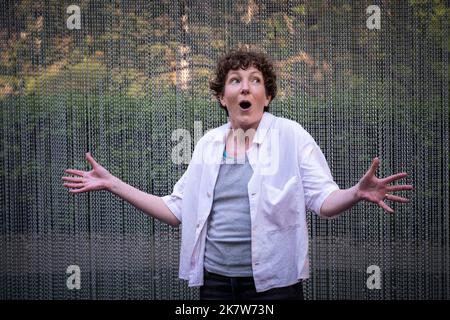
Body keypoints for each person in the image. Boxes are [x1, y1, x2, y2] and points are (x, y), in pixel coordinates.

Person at [62, 48, 413, 300]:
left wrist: (355, 192)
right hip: (214, 283)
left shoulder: (291, 136)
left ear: (267, 96)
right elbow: (176, 210)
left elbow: (322, 201)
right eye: (235, 80)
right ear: (222, 97)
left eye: (255, 80)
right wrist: (112, 184)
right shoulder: (207, 145)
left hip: (275, 286)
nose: (245, 87)